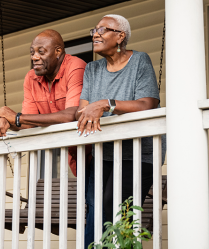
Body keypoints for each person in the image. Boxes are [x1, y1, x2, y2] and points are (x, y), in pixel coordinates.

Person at [75, 14, 166, 248]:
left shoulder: (139, 61)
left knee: (115, 208)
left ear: (120, 36)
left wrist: (107, 103)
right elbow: (82, 110)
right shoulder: (92, 69)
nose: (96, 34)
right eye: (94, 30)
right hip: (104, 152)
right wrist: (91, 110)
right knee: (99, 211)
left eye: (103, 30)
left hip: (138, 152)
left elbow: (148, 104)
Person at [0, 29, 87, 160]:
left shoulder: (75, 66)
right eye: (32, 52)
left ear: (58, 51)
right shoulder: (31, 78)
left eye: (41, 52)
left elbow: (72, 114)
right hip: (71, 154)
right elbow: (29, 122)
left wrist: (16, 118)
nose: (34, 57)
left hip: (94, 150)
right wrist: (7, 120)